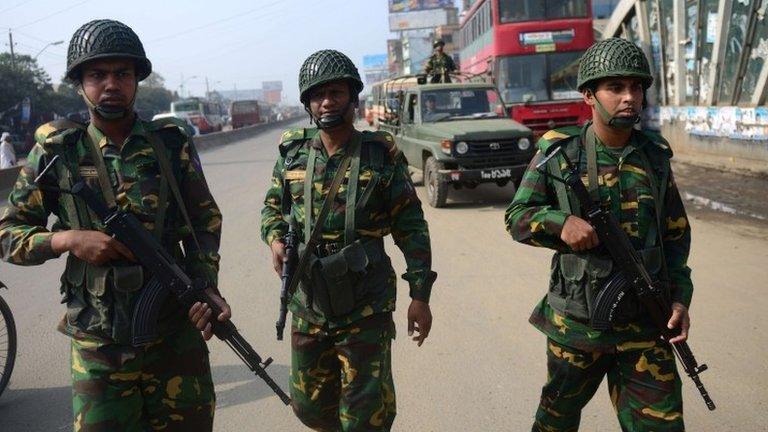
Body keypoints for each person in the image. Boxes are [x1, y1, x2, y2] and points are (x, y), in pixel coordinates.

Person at [0, 19, 229, 431]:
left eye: (122, 74)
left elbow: (203, 221)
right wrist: (68, 239)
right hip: (99, 340)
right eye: (97, 74)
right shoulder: (58, 149)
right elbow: (8, 235)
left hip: (175, 333)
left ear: (137, 80)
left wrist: (205, 284)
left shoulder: (170, 142)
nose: (111, 84)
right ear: (79, 83)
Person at [505, 37, 693, 431]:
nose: (629, 97)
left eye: (636, 87)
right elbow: (517, 217)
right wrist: (561, 224)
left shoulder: (653, 156)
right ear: (589, 95)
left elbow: (675, 237)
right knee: (556, 420)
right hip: (578, 325)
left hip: (646, 323)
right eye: (616, 88)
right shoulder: (561, 152)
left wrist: (680, 300)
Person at [261, 49, 437, 431]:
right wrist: (276, 240)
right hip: (309, 300)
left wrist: (420, 295)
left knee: (366, 415)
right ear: (308, 102)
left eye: (336, 93)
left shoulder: (379, 154)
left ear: (353, 97)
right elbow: (272, 210)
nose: (327, 102)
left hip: (365, 302)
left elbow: (411, 227)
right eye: (317, 94)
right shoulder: (292, 153)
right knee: (309, 407)